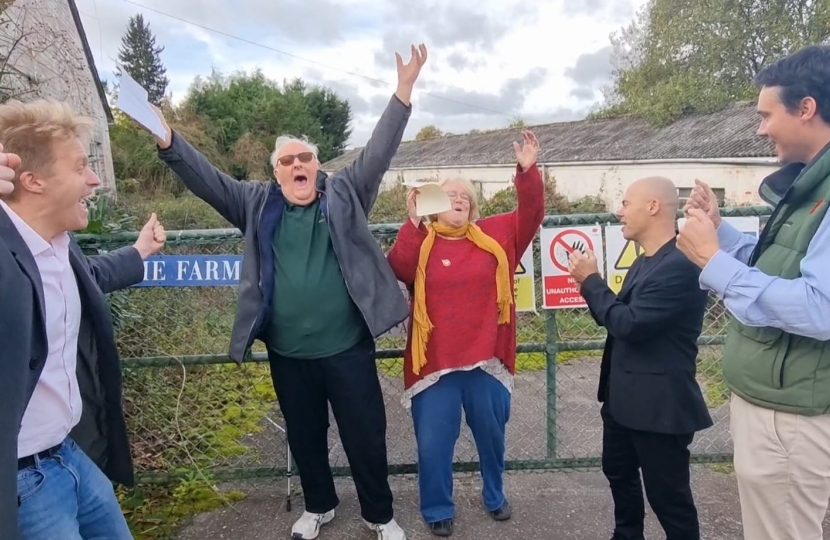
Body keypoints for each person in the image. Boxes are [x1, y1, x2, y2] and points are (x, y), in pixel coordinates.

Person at [131, 44, 428, 540]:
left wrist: (402, 92)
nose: (298, 165)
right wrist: (168, 139)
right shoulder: (253, 202)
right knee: (305, 437)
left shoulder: (346, 192)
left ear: (317, 164)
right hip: (289, 353)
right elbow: (207, 182)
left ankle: (379, 515)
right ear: (276, 172)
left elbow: (378, 153)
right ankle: (319, 507)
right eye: (287, 160)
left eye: (305, 157)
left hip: (348, 350)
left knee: (365, 438)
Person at [678, 44, 830, 540]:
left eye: (767, 115)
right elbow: (778, 265)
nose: (761, 128)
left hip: (791, 417)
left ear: (806, 108)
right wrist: (718, 232)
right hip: (776, 406)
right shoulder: (810, 185)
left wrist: (713, 263)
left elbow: (820, 307)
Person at [0, 99, 167, 540]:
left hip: (68, 455)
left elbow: (88, 277)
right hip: (19, 482)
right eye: (79, 167)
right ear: (33, 180)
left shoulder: (58, 245)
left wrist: (140, 253)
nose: (94, 179)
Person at [385, 131, 544, 536]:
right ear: (434, 204)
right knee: (434, 443)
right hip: (434, 363)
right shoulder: (421, 240)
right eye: (448, 194)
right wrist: (414, 220)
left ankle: (495, 494)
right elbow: (399, 269)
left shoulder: (496, 235)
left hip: (486, 359)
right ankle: (437, 506)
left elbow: (531, 213)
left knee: (491, 437)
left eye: (464, 196)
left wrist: (527, 172)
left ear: (472, 207)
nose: (457, 199)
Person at [568, 177, 713, 540]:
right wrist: (592, 287)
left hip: (659, 409)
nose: (620, 210)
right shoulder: (646, 262)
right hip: (623, 401)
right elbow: (616, 317)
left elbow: (629, 324)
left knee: (669, 500)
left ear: (653, 207)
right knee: (619, 474)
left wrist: (592, 282)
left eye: (626, 202)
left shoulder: (680, 265)